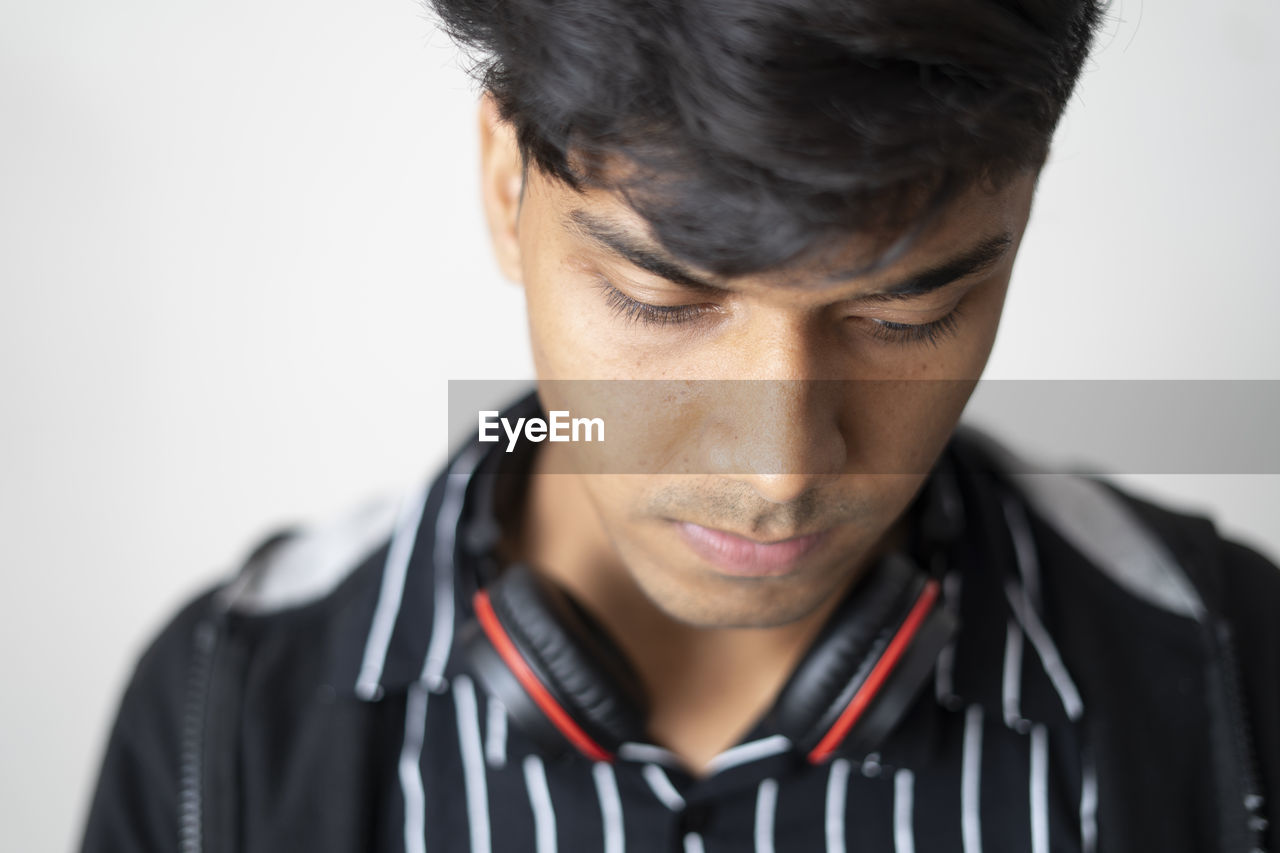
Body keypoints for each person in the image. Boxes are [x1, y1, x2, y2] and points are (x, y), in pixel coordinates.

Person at [80, 1, 1278, 851]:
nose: (777, 470)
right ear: (507, 184)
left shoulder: (1234, 666)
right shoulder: (219, 714)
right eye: (663, 301)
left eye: (908, 312)